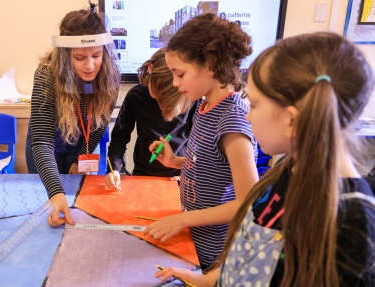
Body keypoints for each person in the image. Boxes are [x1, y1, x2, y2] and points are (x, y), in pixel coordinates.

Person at [155, 32, 375, 287]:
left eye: (255, 105)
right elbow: (249, 255)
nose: (247, 117)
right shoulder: (284, 173)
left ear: (291, 120)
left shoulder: (353, 221)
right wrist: (203, 279)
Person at [143, 13, 259, 270]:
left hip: (216, 253)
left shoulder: (232, 122)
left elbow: (249, 201)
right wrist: (175, 161)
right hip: (196, 241)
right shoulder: (205, 106)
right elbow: (214, 165)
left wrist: (184, 220)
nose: (175, 83)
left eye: (180, 74)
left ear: (209, 64)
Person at [25, 2, 120, 226]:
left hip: (79, 142)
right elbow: (41, 143)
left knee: (77, 204)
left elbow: (97, 127)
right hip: (46, 146)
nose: (90, 65)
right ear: (65, 56)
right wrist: (55, 192)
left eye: (96, 55)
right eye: (79, 58)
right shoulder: (46, 76)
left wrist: (81, 157)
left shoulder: (110, 77)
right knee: (50, 205)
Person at [105, 47, 194, 191]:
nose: (160, 101)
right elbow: (119, 139)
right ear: (150, 68)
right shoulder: (135, 96)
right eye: (157, 92)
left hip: (180, 175)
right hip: (142, 174)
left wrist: (190, 174)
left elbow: (202, 150)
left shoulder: (190, 98)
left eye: (165, 97)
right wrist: (114, 169)